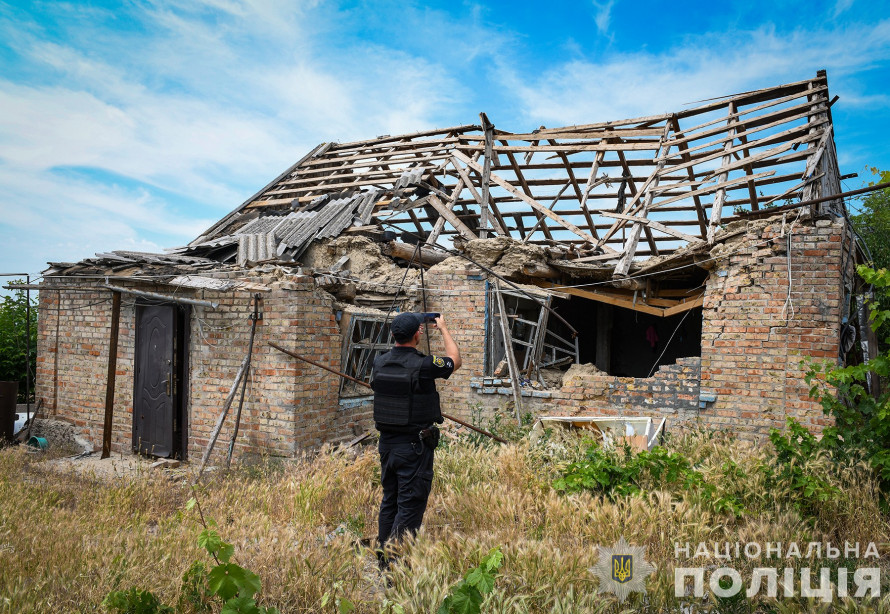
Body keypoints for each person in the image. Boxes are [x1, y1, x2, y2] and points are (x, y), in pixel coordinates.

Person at [371, 311, 462, 565]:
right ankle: (395, 567)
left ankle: (383, 559)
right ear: (417, 334)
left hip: (387, 446)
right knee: (410, 506)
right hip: (414, 449)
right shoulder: (423, 365)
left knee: (390, 501)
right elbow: (455, 360)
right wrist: (443, 328)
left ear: (392, 335)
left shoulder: (379, 362)